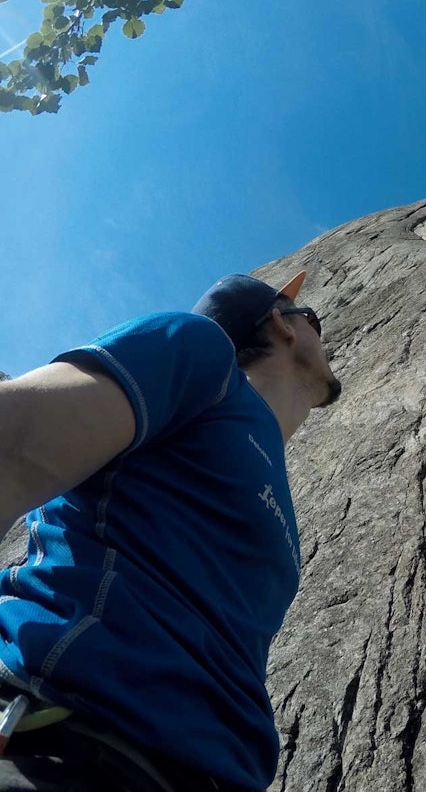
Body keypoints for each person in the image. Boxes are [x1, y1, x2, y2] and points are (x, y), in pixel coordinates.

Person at [0, 270, 340, 790]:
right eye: (311, 317)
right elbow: (13, 446)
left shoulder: (269, 471)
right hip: (55, 741)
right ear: (281, 324)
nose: (323, 331)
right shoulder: (203, 358)